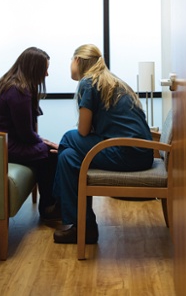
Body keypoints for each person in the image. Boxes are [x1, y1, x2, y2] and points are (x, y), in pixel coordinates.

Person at [52, 44, 153, 244]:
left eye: (71, 60)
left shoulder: (88, 82)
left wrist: (66, 143)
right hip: (140, 153)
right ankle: (84, 227)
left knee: (67, 139)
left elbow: (82, 131)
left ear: (78, 60)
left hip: (126, 152)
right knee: (67, 156)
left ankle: (58, 204)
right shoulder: (111, 80)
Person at [0, 46, 59, 220]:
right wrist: (41, 141)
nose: (46, 74)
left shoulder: (11, 83)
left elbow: (26, 130)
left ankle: (50, 205)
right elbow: (26, 134)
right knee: (50, 154)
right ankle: (49, 208)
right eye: (44, 69)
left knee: (46, 149)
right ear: (34, 69)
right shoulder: (18, 91)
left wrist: (40, 140)